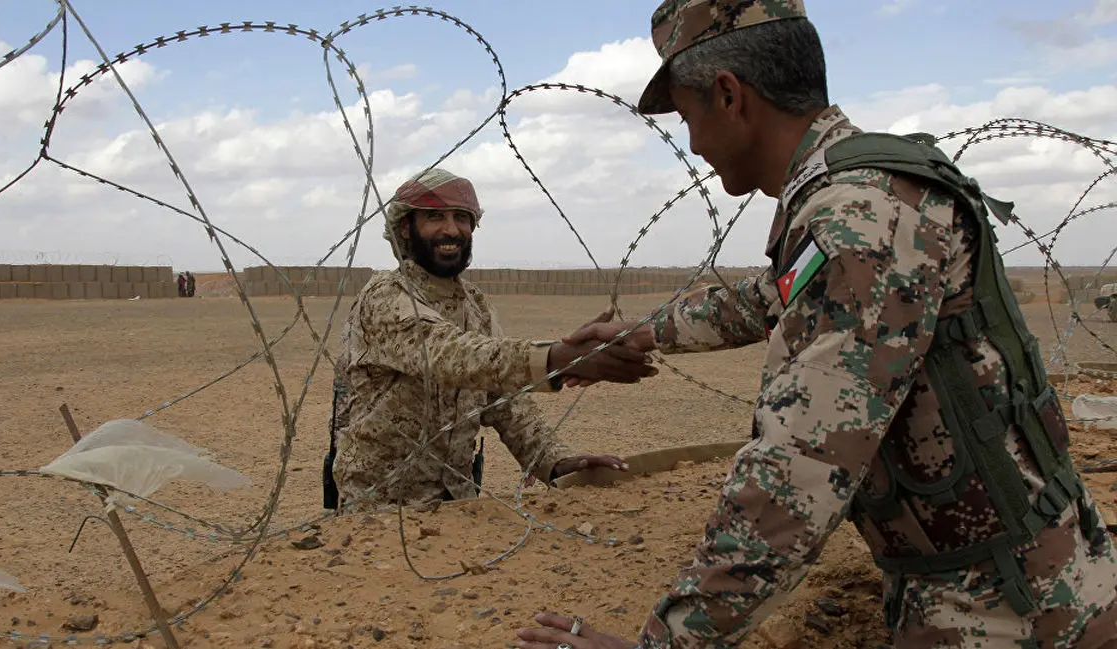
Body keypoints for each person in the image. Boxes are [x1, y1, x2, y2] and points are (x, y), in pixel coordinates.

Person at [516, 2, 1117, 648]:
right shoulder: (861, 192)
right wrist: (643, 334)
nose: (689, 143)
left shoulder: (857, 219)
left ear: (729, 96)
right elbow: (773, 294)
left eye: (688, 117)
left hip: (1008, 613)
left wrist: (663, 643)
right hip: (1019, 583)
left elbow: (798, 470)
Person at [324, 168, 655, 513]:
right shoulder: (384, 297)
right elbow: (450, 355)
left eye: (461, 218)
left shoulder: (475, 305)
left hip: (458, 505)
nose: (451, 229)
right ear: (406, 228)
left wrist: (556, 462)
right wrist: (559, 357)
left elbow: (504, 399)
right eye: (435, 217)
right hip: (382, 510)